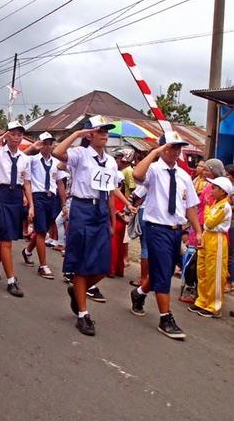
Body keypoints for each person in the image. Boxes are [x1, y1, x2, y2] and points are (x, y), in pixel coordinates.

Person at [130, 132, 202, 340]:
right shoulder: (153, 170)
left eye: (178, 147)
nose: (176, 151)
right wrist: (156, 151)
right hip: (156, 228)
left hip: (175, 230)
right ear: (163, 149)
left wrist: (197, 230)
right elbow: (137, 175)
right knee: (162, 272)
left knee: (165, 271)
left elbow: (189, 206)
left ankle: (139, 294)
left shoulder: (183, 176)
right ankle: (165, 317)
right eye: (172, 147)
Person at [52, 115, 118, 336]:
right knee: (81, 263)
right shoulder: (80, 154)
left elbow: (110, 193)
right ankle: (83, 314)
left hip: (100, 210)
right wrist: (78, 134)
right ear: (90, 134)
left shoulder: (110, 161)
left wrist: (112, 220)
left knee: (103, 265)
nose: (104, 134)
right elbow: (57, 153)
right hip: (82, 208)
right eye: (99, 130)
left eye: (106, 130)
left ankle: (79, 290)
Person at [0, 121, 33, 297]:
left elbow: (27, 183)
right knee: (5, 240)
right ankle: (11, 280)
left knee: (9, 238)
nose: (16, 137)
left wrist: (31, 205)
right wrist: (0, 138)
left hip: (16, 197)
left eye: (19, 134)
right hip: (0, 195)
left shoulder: (24, 158)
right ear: (7, 135)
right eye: (13, 133)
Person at [22, 132, 66, 279]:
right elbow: (19, 159)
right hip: (38, 196)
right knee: (41, 231)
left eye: (50, 143)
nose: (47, 146)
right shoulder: (32, 160)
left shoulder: (56, 162)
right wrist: (32, 148)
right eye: (44, 143)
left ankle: (28, 251)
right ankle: (43, 265)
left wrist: (64, 203)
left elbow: (60, 183)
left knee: (44, 230)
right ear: (39, 144)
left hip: (51, 198)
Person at [188, 177, 232, 317]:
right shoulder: (214, 204)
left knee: (215, 272)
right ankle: (202, 301)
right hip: (208, 237)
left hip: (217, 238)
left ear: (223, 191)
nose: (211, 190)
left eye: (214, 188)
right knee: (203, 270)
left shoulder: (223, 206)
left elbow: (210, 222)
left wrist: (206, 209)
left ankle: (214, 305)